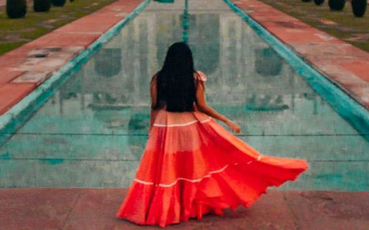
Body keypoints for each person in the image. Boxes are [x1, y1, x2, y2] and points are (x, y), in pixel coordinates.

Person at [117, 41, 308, 227]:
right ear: (188, 59)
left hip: (165, 125)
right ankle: (191, 207)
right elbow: (201, 106)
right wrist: (225, 120)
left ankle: (169, 208)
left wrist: (152, 129)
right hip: (188, 125)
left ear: (168, 58)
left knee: (168, 170)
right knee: (190, 168)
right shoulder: (195, 78)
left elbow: (155, 105)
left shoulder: (158, 78)